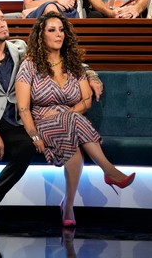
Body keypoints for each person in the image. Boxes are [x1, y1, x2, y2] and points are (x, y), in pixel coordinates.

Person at [0, 4, 103, 233]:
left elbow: (59, 58)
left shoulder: (19, 49)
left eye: (3, 19)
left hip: (13, 120)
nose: (2, 24)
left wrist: (91, 75)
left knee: (26, 148)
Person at [15, 11, 135, 227]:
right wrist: (33, 136)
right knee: (73, 119)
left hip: (70, 121)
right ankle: (108, 171)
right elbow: (23, 108)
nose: (58, 34)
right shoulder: (29, 66)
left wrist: (65, 113)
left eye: (61, 30)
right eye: (52, 30)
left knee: (71, 122)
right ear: (41, 36)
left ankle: (68, 204)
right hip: (42, 123)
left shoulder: (73, 64)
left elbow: (87, 100)